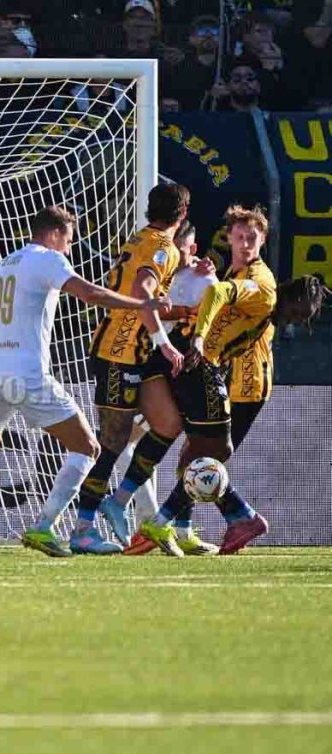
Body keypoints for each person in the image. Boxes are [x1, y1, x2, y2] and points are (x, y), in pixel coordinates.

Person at [0, 205, 172, 557]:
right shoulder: (48, 259)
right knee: (88, 448)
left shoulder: (5, 264)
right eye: (69, 241)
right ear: (54, 234)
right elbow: (90, 294)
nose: (69, 249)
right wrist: (141, 305)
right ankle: (45, 528)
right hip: (27, 374)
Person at [129, 204, 277, 556]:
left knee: (207, 457)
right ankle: (216, 522)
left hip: (246, 383)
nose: (245, 244)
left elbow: (218, 295)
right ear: (230, 239)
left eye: (252, 238)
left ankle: (164, 521)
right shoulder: (230, 272)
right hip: (216, 373)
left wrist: (197, 338)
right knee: (197, 456)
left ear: (263, 240)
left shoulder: (260, 281)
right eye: (239, 237)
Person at [67, 182, 188, 555]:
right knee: (113, 442)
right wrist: (164, 342)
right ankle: (83, 528)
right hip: (118, 352)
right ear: (183, 213)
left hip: (132, 353)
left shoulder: (139, 239)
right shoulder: (164, 247)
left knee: (168, 424)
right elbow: (142, 290)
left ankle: (119, 501)